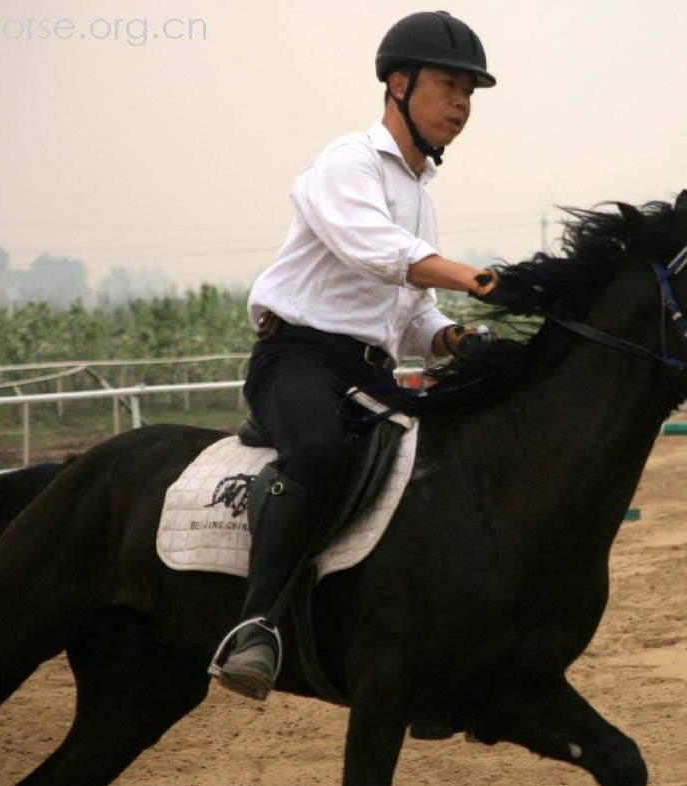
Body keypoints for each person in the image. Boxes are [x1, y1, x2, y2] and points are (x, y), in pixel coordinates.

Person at [211, 10, 500, 700]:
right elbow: (376, 252)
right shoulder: (347, 163)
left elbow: (409, 316)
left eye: (470, 93)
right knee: (315, 451)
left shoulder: (421, 201)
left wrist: (456, 337)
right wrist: (475, 277)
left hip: (367, 372)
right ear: (398, 83)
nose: (461, 105)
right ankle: (254, 628)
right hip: (298, 361)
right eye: (449, 86)